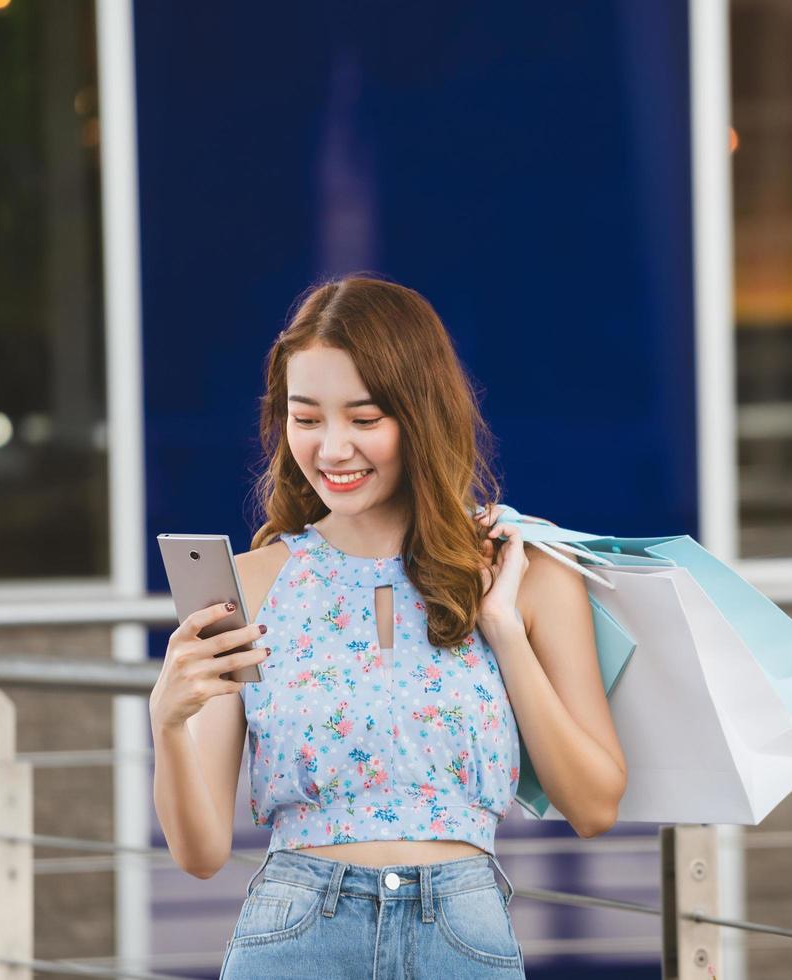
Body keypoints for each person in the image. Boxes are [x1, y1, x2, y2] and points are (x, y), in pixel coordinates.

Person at [148, 275, 627, 977]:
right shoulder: (251, 584)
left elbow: (594, 805)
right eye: (307, 419)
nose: (333, 449)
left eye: (364, 418)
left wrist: (503, 628)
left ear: (420, 415)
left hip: (464, 934)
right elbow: (200, 854)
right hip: (295, 935)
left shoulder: (524, 574)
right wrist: (167, 720)